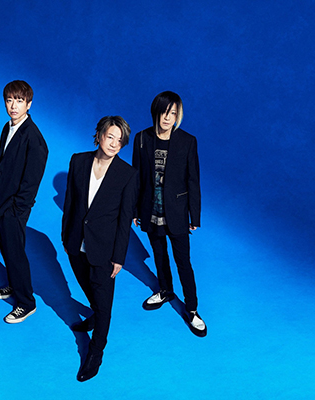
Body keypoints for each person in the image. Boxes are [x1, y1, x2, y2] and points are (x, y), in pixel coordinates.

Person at [62, 116, 138, 381]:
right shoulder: (78, 161)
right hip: (76, 243)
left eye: (120, 140)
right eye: (110, 137)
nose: (114, 144)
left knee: (104, 305)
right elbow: (70, 202)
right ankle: (93, 317)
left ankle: (95, 353)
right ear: (99, 135)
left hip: (105, 250)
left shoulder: (127, 174)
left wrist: (119, 257)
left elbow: (125, 220)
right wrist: (66, 236)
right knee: (88, 288)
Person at [132, 91, 207, 337]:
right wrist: (135, 209)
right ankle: (165, 290)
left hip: (176, 212)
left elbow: (193, 180)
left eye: (173, 113)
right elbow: (136, 177)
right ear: (156, 112)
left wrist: (194, 216)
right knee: (159, 255)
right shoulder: (142, 138)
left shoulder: (187, 141)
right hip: (151, 209)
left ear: (178, 116)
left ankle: (192, 309)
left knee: (183, 261)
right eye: (164, 112)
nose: (167, 117)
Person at [0, 80, 49, 323]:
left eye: (19, 101)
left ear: (29, 104)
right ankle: (14, 284)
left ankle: (26, 303)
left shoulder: (34, 139)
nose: (13, 105)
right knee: (7, 249)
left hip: (14, 207)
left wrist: (17, 209)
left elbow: (31, 182)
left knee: (16, 253)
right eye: (10, 100)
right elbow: (1, 162)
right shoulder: (8, 127)